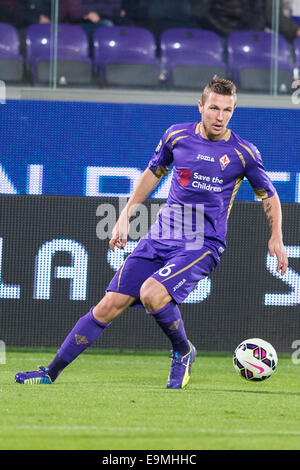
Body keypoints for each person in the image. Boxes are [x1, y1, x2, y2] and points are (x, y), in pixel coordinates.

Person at [15, 76, 288, 389]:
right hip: (160, 237)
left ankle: (182, 351)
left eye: (227, 110)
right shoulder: (176, 135)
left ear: (233, 111)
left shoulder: (244, 153)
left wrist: (276, 236)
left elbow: (268, 194)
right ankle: (50, 372)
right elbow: (153, 173)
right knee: (107, 306)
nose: (220, 116)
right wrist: (125, 215)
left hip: (203, 243)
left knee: (151, 293)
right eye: (214, 108)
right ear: (201, 107)